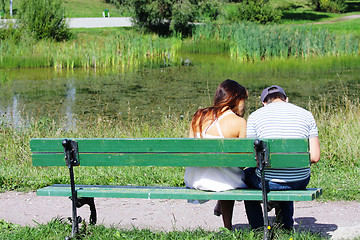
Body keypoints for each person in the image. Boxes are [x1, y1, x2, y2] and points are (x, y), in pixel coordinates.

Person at [244, 85, 321, 230]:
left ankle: (257, 228)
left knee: (247, 176)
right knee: (288, 175)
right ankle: (286, 225)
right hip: (299, 180)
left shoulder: (255, 116)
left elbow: (253, 158)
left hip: (267, 181)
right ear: (286, 99)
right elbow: (315, 157)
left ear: (264, 103)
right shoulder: (306, 114)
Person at [184, 79, 248, 230]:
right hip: (224, 182)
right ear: (236, 98)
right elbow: (243, 161)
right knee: (230, 174)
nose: (245, 105)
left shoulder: (198, 116)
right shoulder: (239, 122)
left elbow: (191, 151)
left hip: (196, 179)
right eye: (244, 101)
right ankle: (227, 226)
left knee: (222, 171)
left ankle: (222, 208)